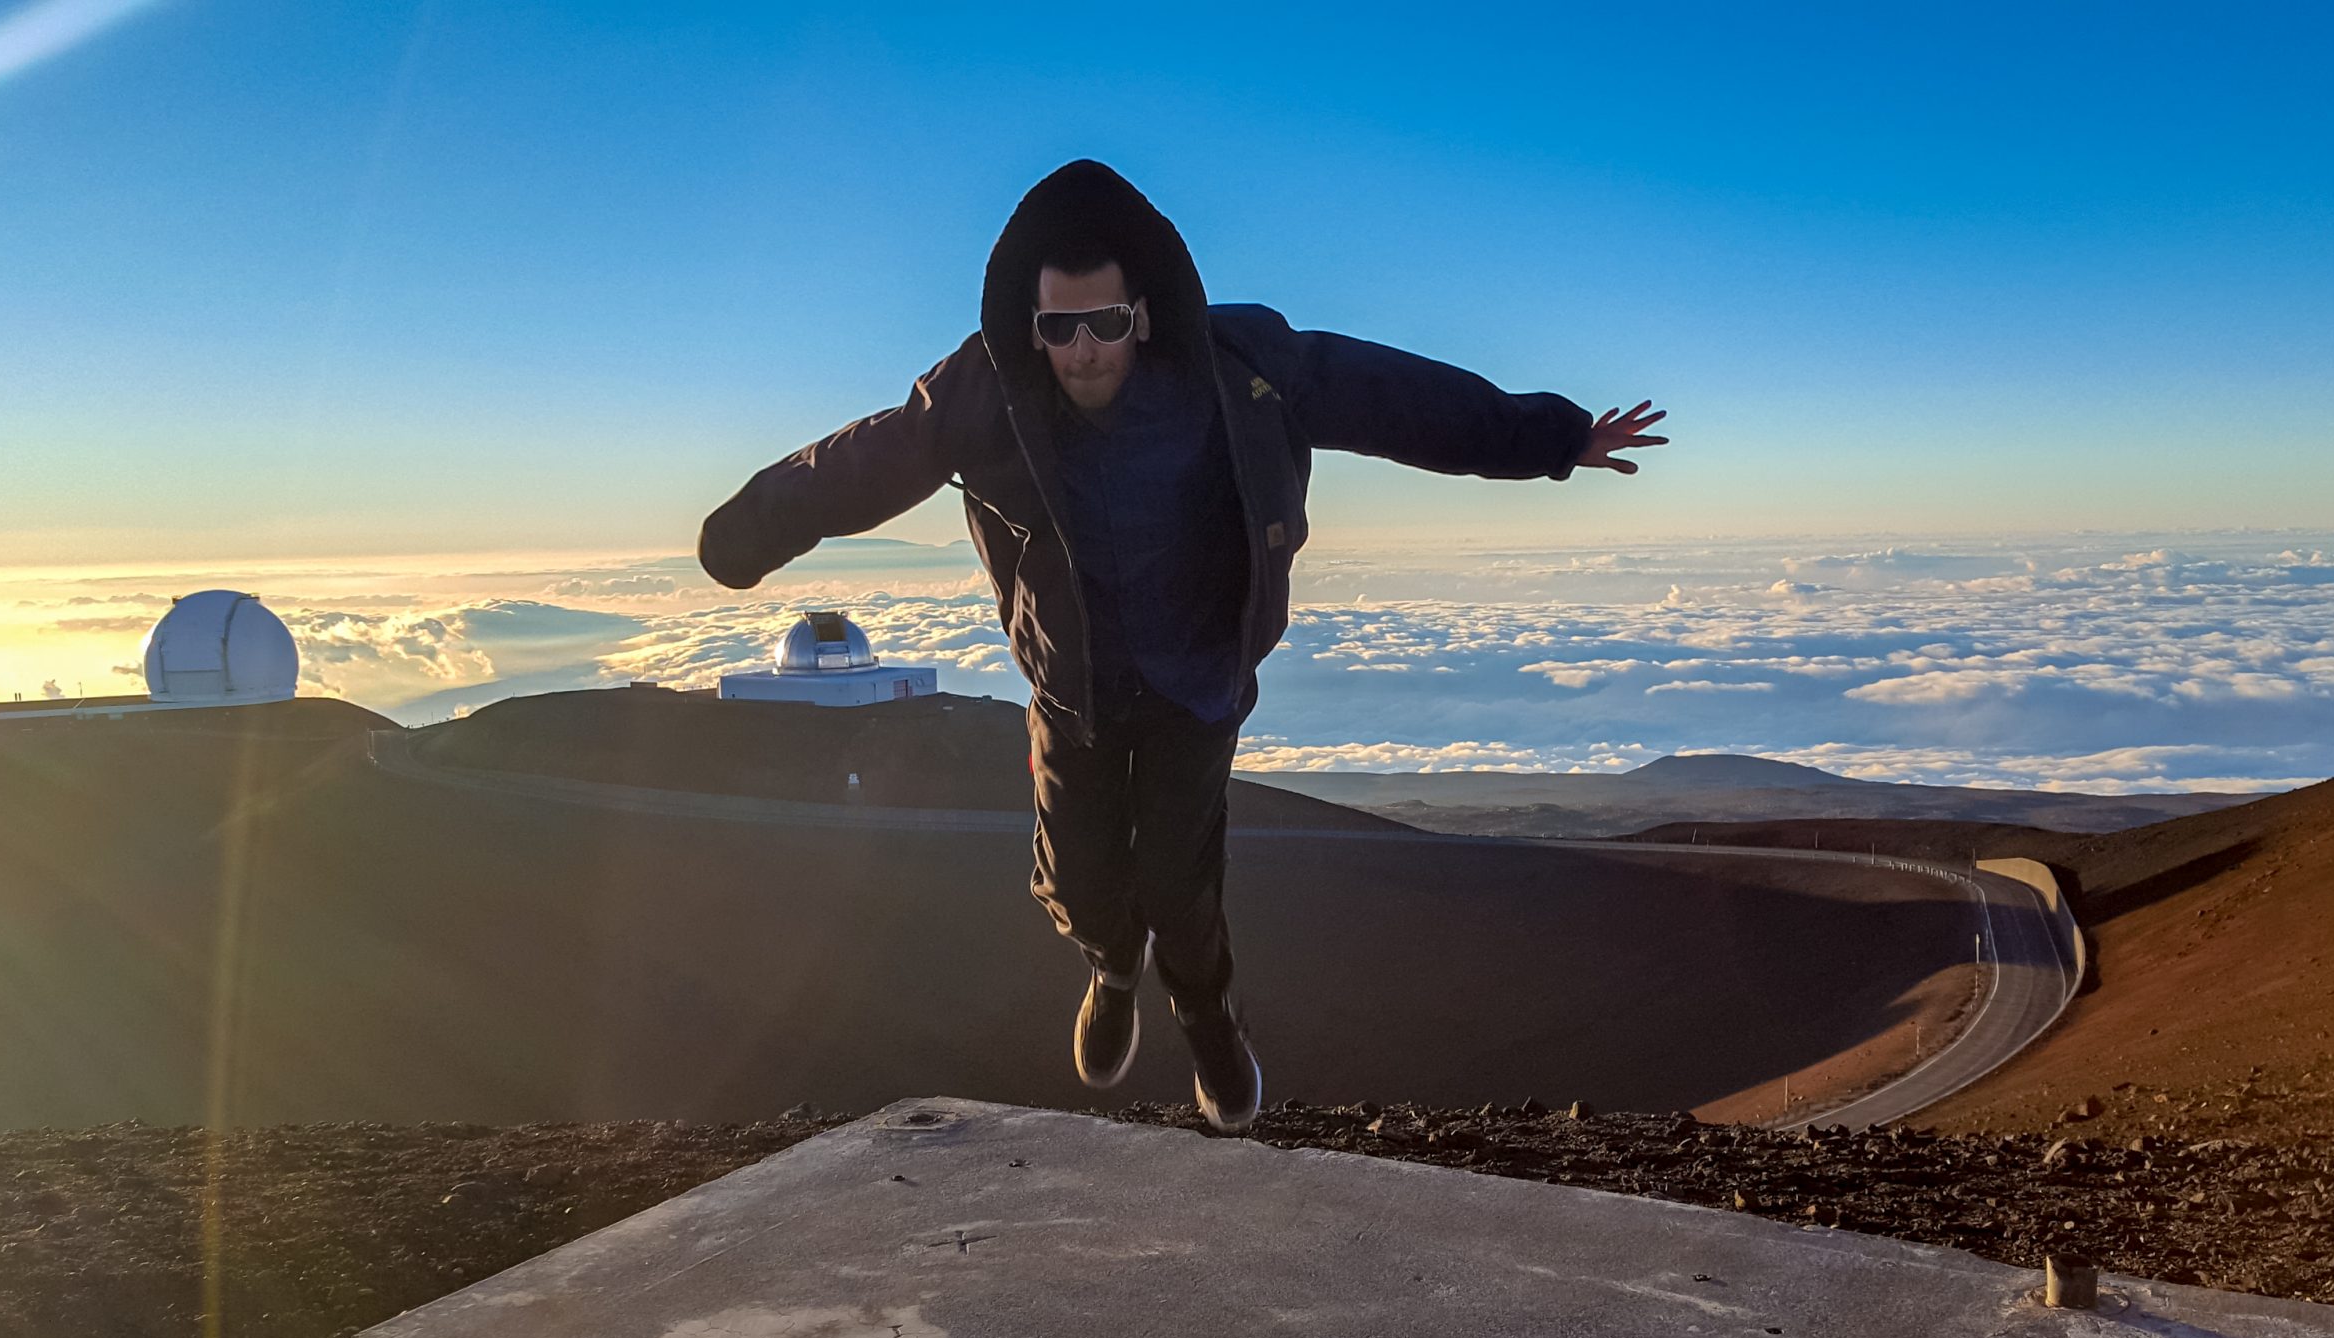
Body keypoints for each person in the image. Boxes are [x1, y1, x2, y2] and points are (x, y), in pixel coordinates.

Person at [698, 160, 1665, 1134]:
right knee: (1078, 881)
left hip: (1196, 682)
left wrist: (1548, 438)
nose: (1081, 351)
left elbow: (1392, 396)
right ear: (1028, 327)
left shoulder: (1246, 366)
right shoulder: (984, 391)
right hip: (1075, 689)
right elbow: (866, 458)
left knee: (1178, 882)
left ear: (1145, 312)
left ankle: (1206, 1015)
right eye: (1057, 327)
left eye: (1104, 323)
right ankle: (1111, 966)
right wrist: (750, 530)